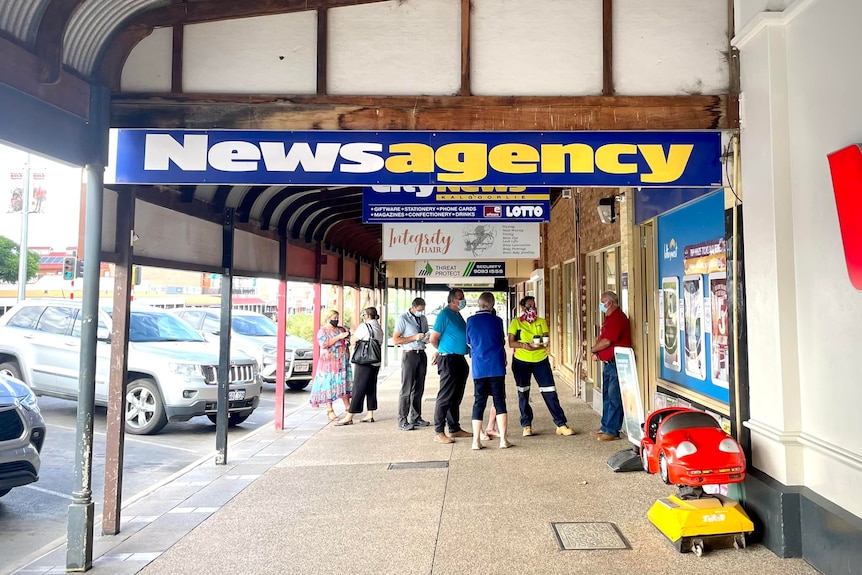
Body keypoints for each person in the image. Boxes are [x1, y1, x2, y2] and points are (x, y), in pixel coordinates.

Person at [508, 296, 575, 437]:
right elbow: (511, 343)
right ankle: (526, 425)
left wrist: (538, 345)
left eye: (533, 305)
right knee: (523, 393)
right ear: (522, 307)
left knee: (550, 391)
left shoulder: (541, 321)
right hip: (521, 361)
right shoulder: (516, 323)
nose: (531, 308)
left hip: (541, 360)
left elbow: (546, 339)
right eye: (528, 306)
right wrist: (523, 345)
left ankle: (561, 424)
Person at [466, 292, 511, 449]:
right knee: (499, 401)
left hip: (479, 367)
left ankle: (476, 441)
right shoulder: (497, 321)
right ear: (492, 304)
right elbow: (501, 340)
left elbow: (469, 343)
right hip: (496, 366)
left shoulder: (470, 321)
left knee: (479, 402)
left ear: (479, 304)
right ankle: (503, 440)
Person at [428, 288, 471, 445]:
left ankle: (454, 427)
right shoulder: (444, 315)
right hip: (449, 359)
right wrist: (441, 350)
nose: (463, 300)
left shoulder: (457, 314)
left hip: (459, 358)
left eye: (463, 297)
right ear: (452, 300)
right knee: (445, 396)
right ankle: (439, 431)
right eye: (460, 298)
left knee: (456, 396)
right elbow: (434, 338)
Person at [590, 291, 632, 441]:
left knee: (615, 397)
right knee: (607, 396)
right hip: (609, 363)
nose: (601, 305)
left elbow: (607, 341)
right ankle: (605, 426)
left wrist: (594, 349)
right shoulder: (609, 318)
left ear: (610, 303)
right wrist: (599, 354)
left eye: (602, 302)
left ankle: (612, 430)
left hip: (617, 364)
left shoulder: (617, 318)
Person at [336, 307, 384, 425]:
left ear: (367, 316)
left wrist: (350, 336)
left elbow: (353, 340)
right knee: (371, 387)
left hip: (364, 361)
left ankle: (350, 415)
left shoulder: (364, 326)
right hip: (375, 361)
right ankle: (370, 414)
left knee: (358, 387)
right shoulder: (379, 328)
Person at [393, 297, 431, 431]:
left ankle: (416, 417)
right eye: (419, 310)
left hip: (421, 353)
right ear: (413, 307)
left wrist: (427, 339)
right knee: (406, 388)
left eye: (423, 310)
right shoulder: (403, 319)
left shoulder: (423, 319)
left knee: (419, 388)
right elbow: (396, 339)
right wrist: (413, 338)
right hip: (409, 354)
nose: (421, 312)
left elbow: (425, 334)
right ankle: (402, 419)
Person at [308, 309, 352, 420]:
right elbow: (324, 344)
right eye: (334, 318)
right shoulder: (322, 331)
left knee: (344, 383)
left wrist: (347, 336)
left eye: (337, 318)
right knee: (329, 385)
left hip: (342, 361)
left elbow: (348, 341)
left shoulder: (341, 329)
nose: (336, 320)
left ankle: (348, 406)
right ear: (328, 318)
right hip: (328, 363)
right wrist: (338, 337)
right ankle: (330, 409)